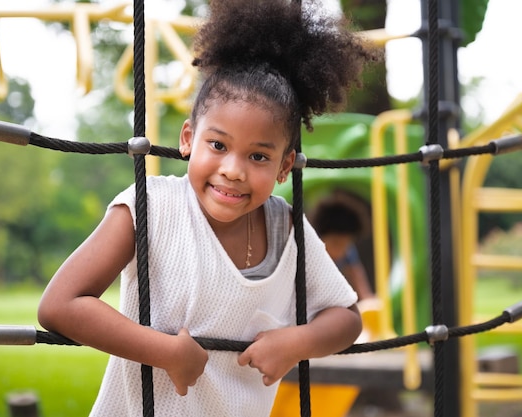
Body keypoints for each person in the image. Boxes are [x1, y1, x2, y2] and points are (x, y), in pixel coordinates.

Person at [38, 0, 379, 415]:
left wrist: (296, 342)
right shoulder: (152, 207)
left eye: (258, 157)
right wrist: (165, 352)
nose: (233, 171)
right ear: (188, 139)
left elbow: (346, 316)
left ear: (285, 166)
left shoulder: (287, 230)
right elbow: (59, 305)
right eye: (217, 145)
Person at [309, 189, 375, 302]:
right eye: (336, 243)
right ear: (319, 237)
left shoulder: (348, 252)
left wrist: (367, 299)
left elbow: (357, 275)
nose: (340, 251)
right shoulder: (310, 251)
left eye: (346, 244)